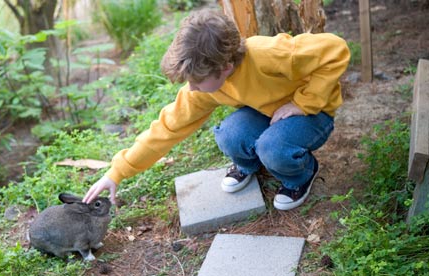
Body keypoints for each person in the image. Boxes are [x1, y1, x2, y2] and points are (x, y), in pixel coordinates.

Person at [83, 9, 350, 211]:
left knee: (273, 148)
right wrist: (117, 171)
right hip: (269, 111)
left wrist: (303, 102)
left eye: (196, 82)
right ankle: (249, 164)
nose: (192, 89)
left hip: (312, 114)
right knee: (229, 135)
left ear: (225, 67)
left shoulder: (268, 54)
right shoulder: (203, 85)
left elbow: (335, 49)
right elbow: (167, 127)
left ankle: (301, 175)